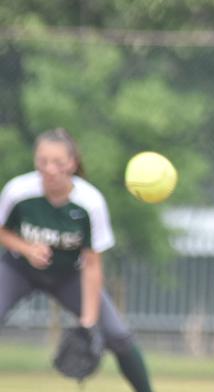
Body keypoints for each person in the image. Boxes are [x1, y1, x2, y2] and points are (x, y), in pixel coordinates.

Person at [0, 128, 154, 392]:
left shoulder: (89, 202)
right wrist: (26, 248)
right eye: (42, 161)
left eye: (58, 162)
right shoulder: (18, 191)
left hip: (68, 276)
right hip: (19, 270)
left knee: (118, 336)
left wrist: (89, 321)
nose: (49, 169)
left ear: (72, 163)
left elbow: (92, 264)